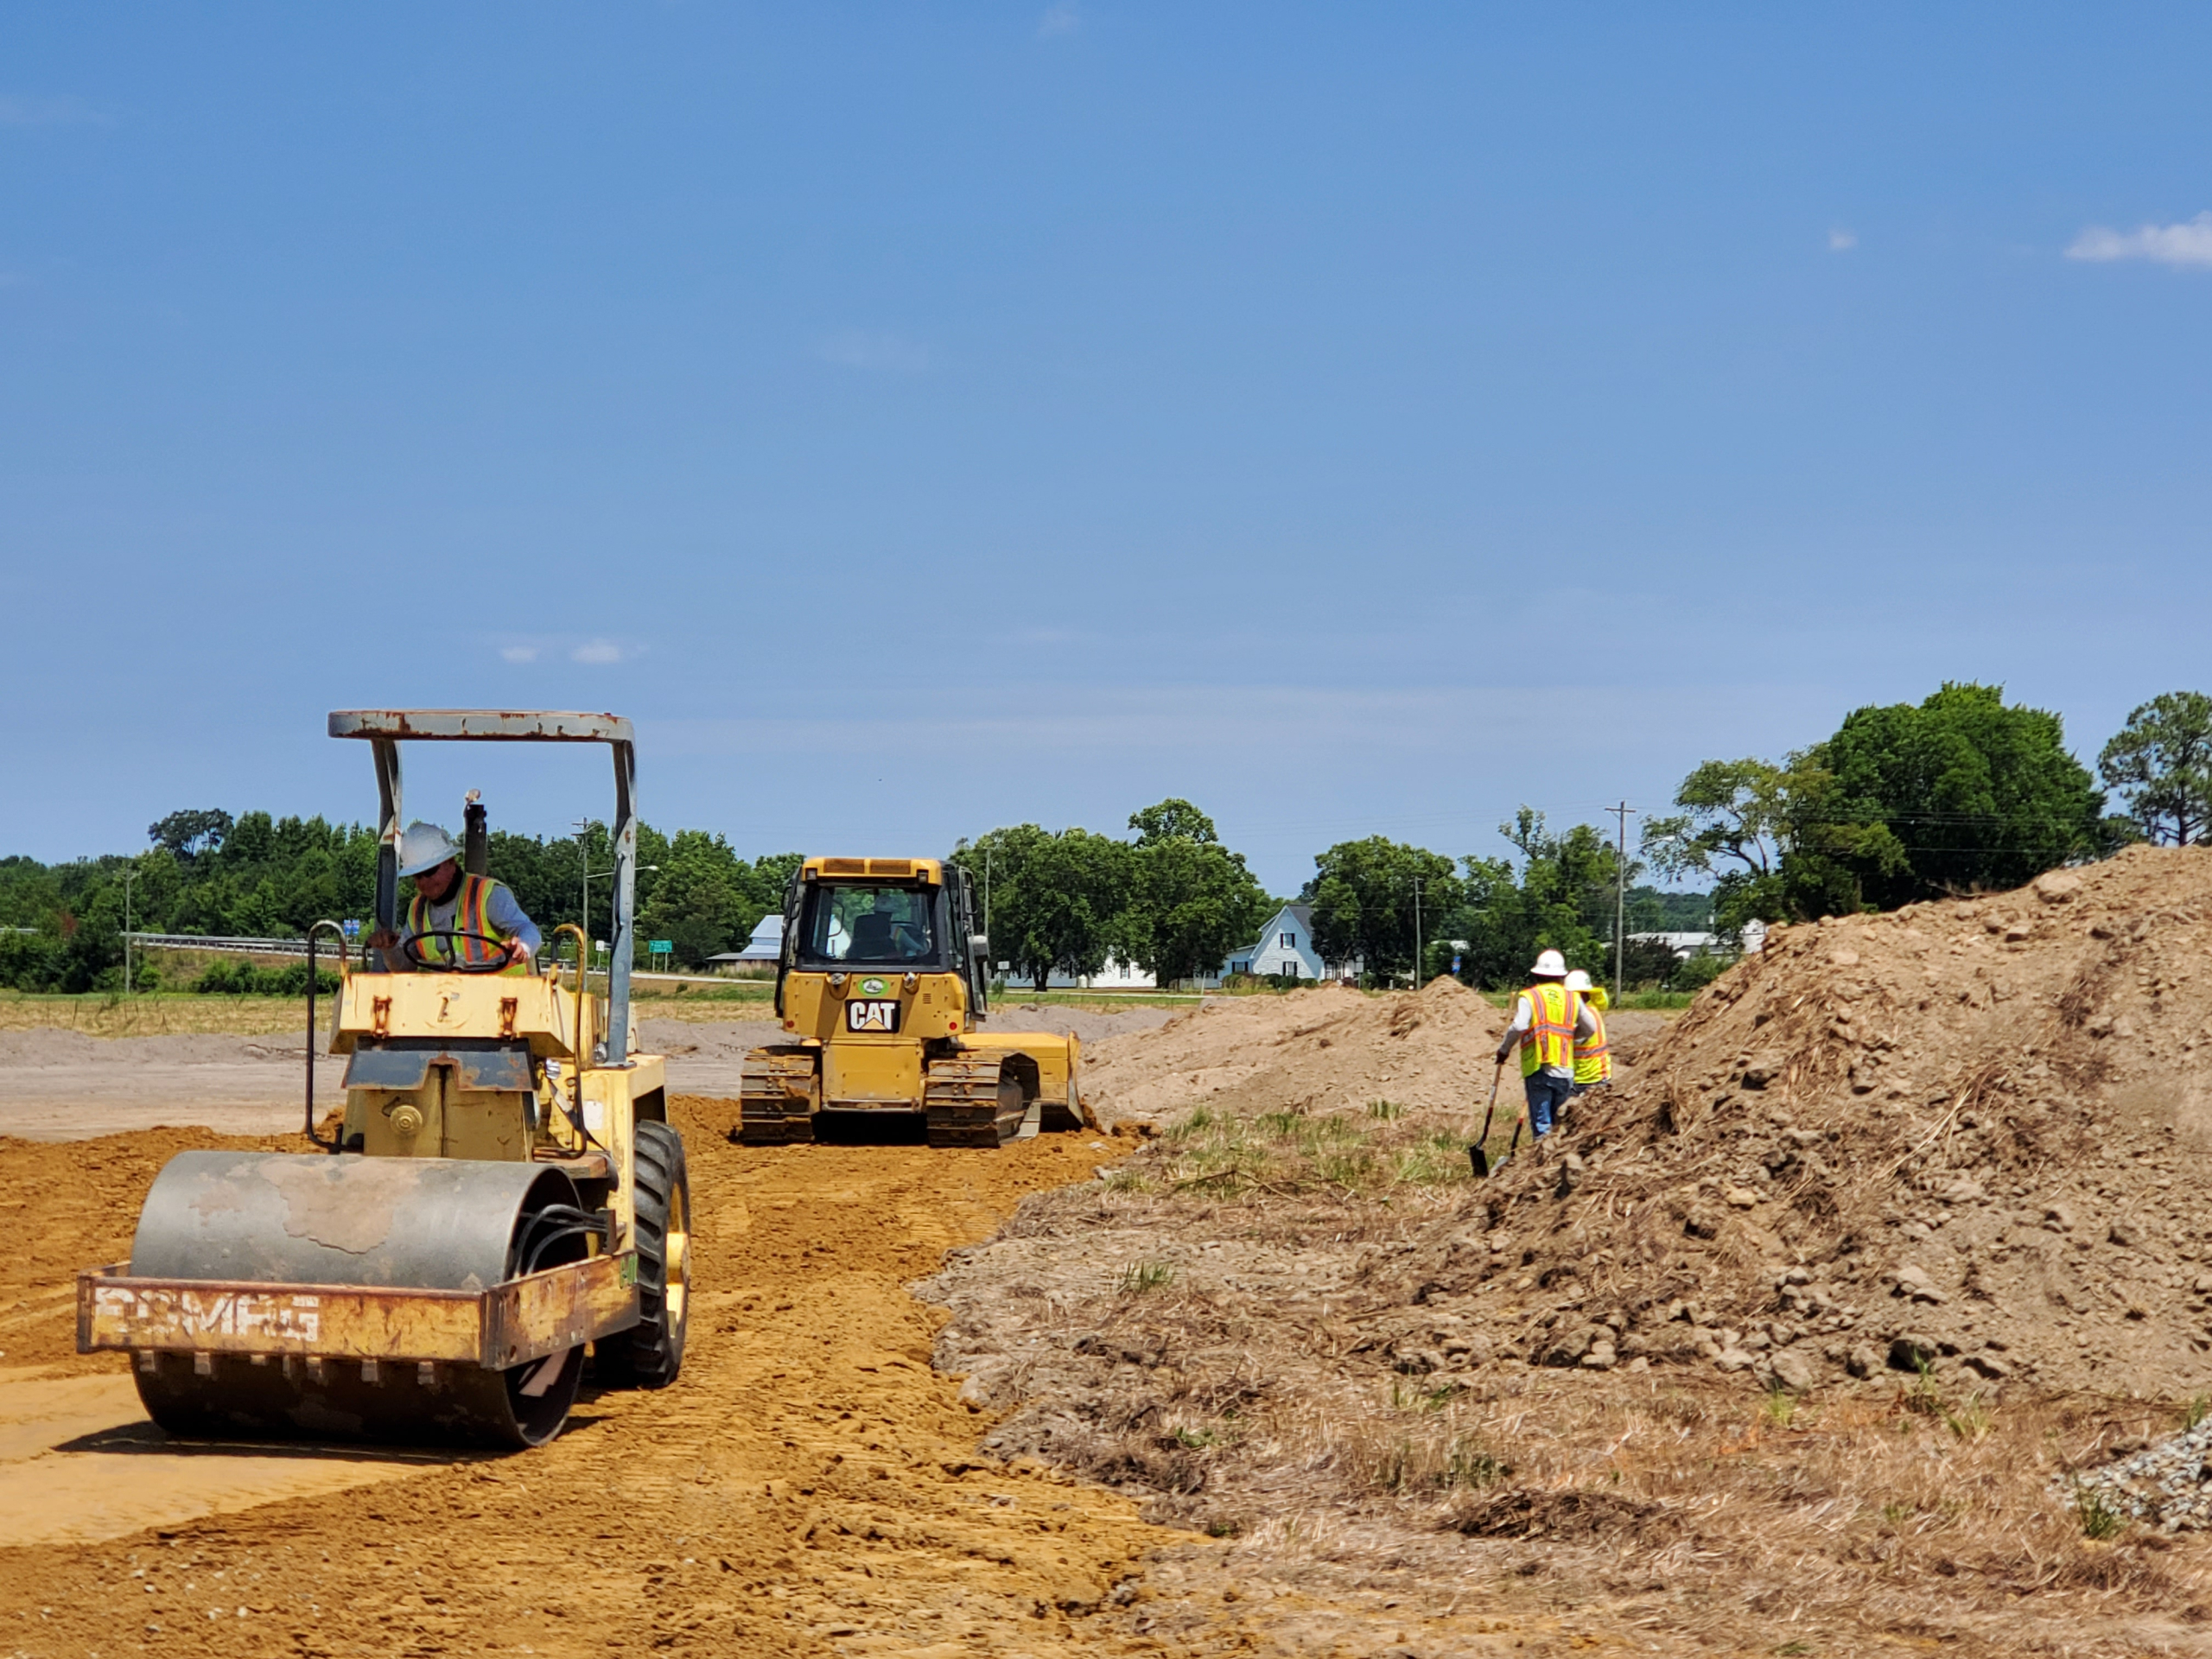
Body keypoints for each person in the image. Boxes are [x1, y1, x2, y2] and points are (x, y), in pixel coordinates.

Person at [368, 821, 542, 971]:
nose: (424, 882)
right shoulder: (417, 910)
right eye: (417, 875)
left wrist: (523, 947)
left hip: (506, 1001)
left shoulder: (488, 895)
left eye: (430, 872)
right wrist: (390, 948)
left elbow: (528, 929)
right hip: (445, 1001)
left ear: (450, 862)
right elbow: (405, 966)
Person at [1492, 949, 1599, 1139]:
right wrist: (1569, 1038)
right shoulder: (1572, 997)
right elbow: (1590, 1028)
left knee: (1543, 1126)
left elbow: (1519, 1026)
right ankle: (1558, 1162)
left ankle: (1542, 1164)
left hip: (1539, 1068)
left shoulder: (1530, 996)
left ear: (1537, 974)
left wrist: (1504, 1050)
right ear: (1561, 976)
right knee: (1560, 1127)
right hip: (1565, 1070)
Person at [1565, 969, 1611, 1098]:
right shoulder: (1591, 1010)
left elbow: (1571, 1041)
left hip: (1588, 1079)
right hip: (1595, 1076)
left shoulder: (1582, 1017)